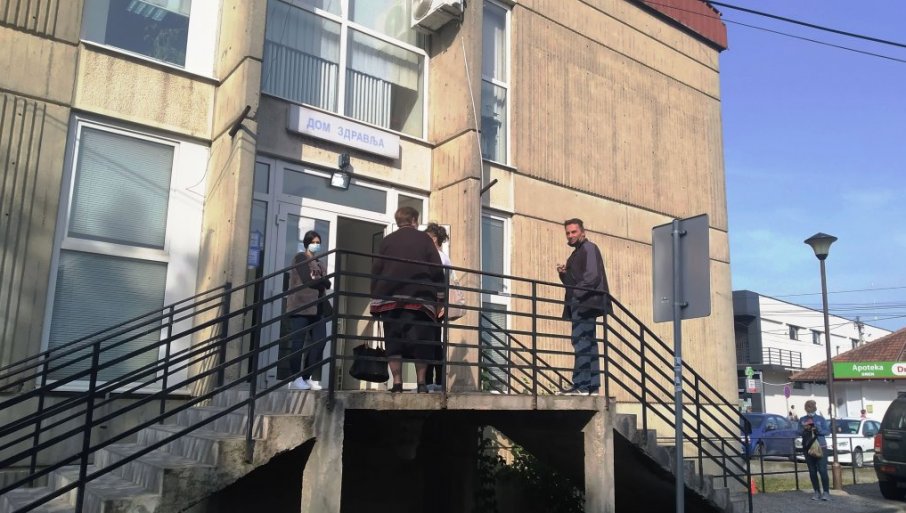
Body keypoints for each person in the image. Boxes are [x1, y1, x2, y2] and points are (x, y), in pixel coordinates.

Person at [370, 207, 444, 393]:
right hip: (419, 300)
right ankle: (421, 384)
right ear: (414, 220)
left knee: (393, 342)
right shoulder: (424, 239)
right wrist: (440, 299)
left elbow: (376, 269)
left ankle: (397, 383)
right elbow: (436, 269)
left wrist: (374, 298)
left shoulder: (387, 241)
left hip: (389, 300)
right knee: (422, 342)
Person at [556, 218, 612, 395]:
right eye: (568, 233)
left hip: (585, 303)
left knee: (581, 342)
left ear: (583, 232)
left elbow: (592, 277)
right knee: (588, 343)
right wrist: (564, 274)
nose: (570, 235)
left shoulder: (589, 248)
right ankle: (592, 387)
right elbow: (572, 283)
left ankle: (581, 385)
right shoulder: (575, 255)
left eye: (574, 232)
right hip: (582, 302)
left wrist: (577, 295)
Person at [286, 230, 331, 391]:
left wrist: (321, 281)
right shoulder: (300, 258)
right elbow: (307, 280)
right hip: (300, 307)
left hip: (318, 308)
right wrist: (322, 281)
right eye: (313, 242)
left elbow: (327, 284)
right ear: (307, 243)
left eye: (318, 242)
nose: (316, 245)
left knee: (320, 342)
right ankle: (295, 378)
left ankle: (306, 377)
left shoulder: (320, 263)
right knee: (298, 343)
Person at [424, 223, 452, 393]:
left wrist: (441, 305)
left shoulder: (439, 257)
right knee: (434, 342)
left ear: (434, 239)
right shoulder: (443, 258)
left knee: (431, 342)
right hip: (435, 304)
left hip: (434, 304)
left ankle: (431, 381)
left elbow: (443, 283)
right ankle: (436, 381)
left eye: (427, 237)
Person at [799, 399, 831, 501]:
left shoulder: (821, 419)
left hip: (820, 447)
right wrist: (805, 429)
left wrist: (818, 429)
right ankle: (816, 491)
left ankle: (826, 492)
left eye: (811, 407)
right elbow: (798, 431)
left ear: (815, 408)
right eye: (807, 407)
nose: (809, 409)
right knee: (812, 471)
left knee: (822, 470)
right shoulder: (802, 419)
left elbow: (827, 431)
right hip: (808, 447)